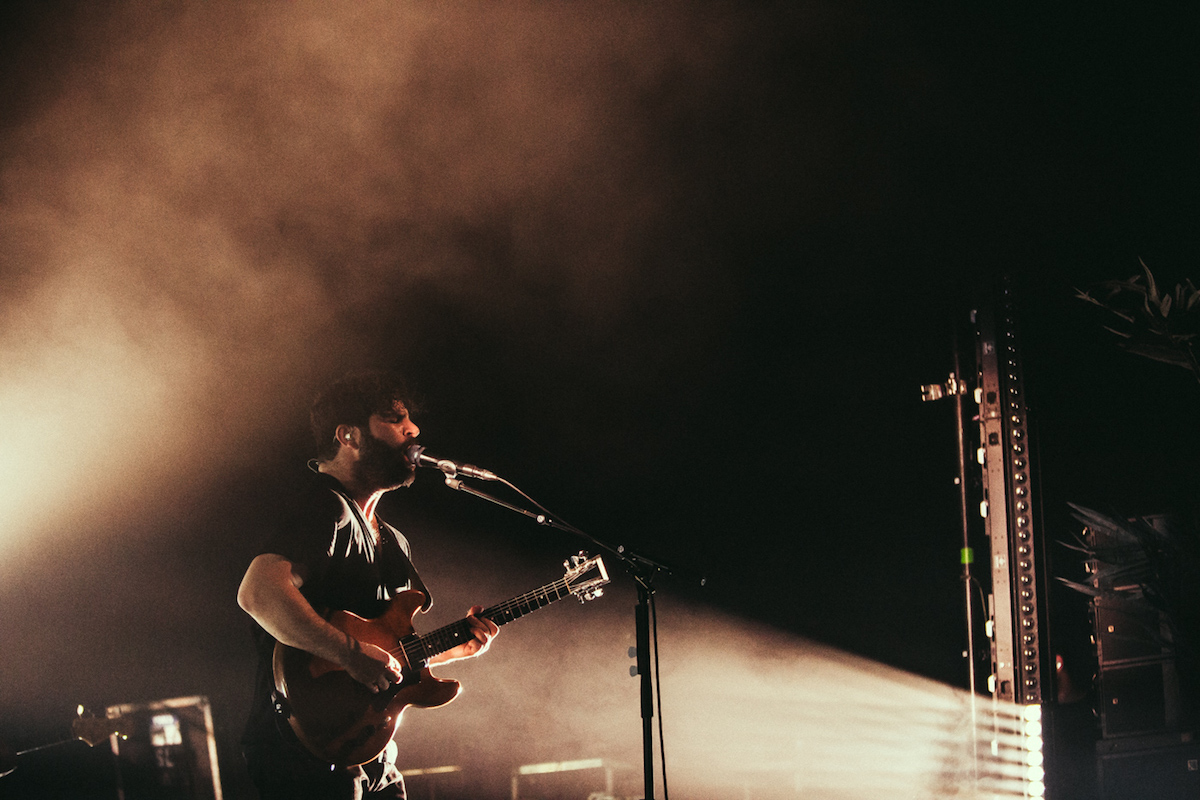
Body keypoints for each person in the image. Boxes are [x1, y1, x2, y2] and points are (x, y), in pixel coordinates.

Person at [237, 370, 499, 799]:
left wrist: (457, 648)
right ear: (349, 436)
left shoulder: (393, 540)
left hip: (370, 749)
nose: (413, 430)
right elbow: (258, 592)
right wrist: (349, 653)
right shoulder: (325, 508)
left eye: (409, 420)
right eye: (395, 420)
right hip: (305, 753)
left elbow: (387, 648)